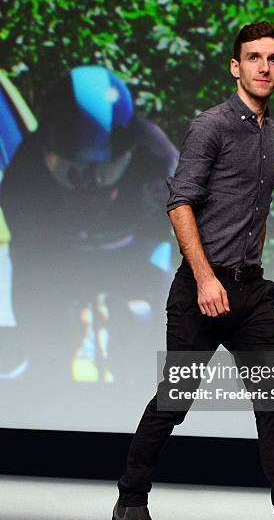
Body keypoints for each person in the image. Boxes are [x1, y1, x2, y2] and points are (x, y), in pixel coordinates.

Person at [113, 22, 274, 520]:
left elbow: (256, 212)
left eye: (273, 59)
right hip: (201, 288)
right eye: (253, 58)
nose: (264, 67)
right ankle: (131, 500)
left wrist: (250, 271)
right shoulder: (211, 127)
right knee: (175, 398)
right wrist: (205, 277)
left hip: (250, 293)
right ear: (236, 66)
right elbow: (180, 204)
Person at [0, 65, 178, 382]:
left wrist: (142, 311)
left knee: (153, 330)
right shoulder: (22, 183)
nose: (89, 192)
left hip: (132, 250)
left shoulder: (161, 169)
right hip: (59, 251)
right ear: (45, 155)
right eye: (71, 172)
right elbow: (31, 271)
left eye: (106, 173)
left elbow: (170, 258)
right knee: (52, 338)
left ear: (131, 156)